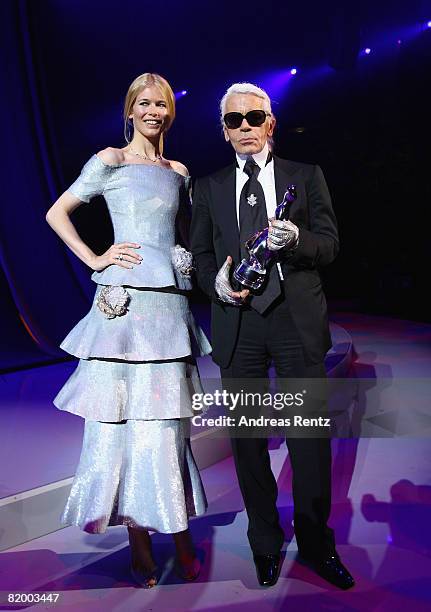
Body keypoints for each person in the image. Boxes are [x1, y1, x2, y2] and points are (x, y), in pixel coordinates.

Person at [45, 72, 211, 588]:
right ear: (130, 109)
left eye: (162, 104)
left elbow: (182, 238)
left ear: (170, 112)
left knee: (166, 426)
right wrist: (96, 257)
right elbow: (57, 213)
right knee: (124, 425)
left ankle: (178, 530)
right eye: (145, 103)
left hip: (168, 311)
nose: (154, 112)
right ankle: (139, 537)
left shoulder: (179, 171)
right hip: (125, 309)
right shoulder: (109, 161)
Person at [190, 82, 354, 589]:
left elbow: (329, 246)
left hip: (294, 321)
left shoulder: (306, 178)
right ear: (223, 130)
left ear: (270, 123)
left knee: (307, 438)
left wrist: (299, 239)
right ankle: (265, 542)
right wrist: (214, 281)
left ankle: (315, 543)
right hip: (238, 323)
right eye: (234, 120)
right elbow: (200, 256)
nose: (244, 127)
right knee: (248, 440)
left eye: (253, 117)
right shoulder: (209, 186)